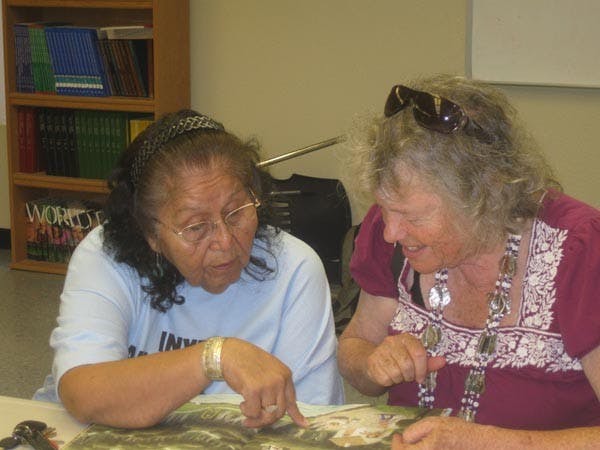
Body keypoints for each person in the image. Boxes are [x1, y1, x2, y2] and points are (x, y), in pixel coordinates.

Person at [35, 109, 344, 429]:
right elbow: (83, 393)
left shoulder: (295, 270)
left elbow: (311, 423)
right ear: (151, 234)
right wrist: (215, 357)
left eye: (236, 212)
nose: (225, 242)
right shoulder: (106, 255)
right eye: (196, 228)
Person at [337, 75, 600, 448]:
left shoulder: (581, 250)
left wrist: (487, 442)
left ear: (486, 197)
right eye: (384, 207)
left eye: (414, 217)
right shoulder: (391, 236)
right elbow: (355, 345)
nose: (390, 232)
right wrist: (372, 363)